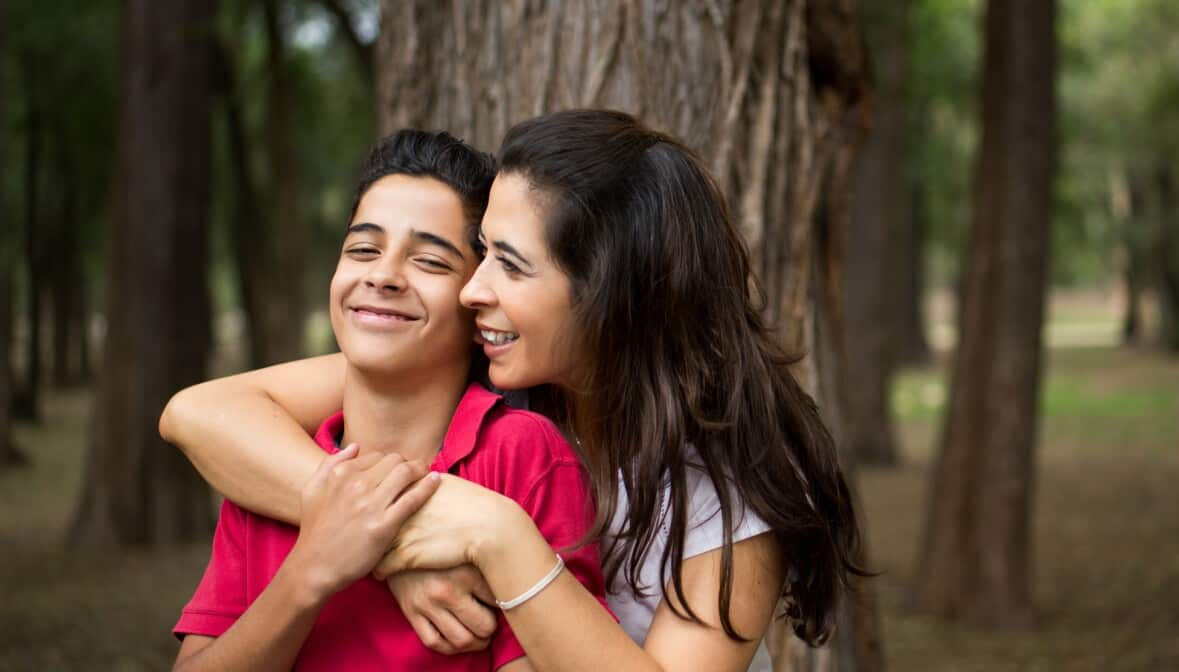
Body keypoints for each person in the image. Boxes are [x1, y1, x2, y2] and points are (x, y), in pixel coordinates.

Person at [162, 110, 866, 672]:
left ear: (606, 296)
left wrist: (502, 538)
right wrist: (379, 542)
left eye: (510, 265)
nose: (474, 290)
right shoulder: (483, 372)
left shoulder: (726, 494)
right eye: (481, 252)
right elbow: (201, 414)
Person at [170, 130, 608, 672]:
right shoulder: (264, 468)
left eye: (429, 261)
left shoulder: (520, 455)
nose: (382, 275)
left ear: (477, 305)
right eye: (362, 249)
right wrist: (312, 570)